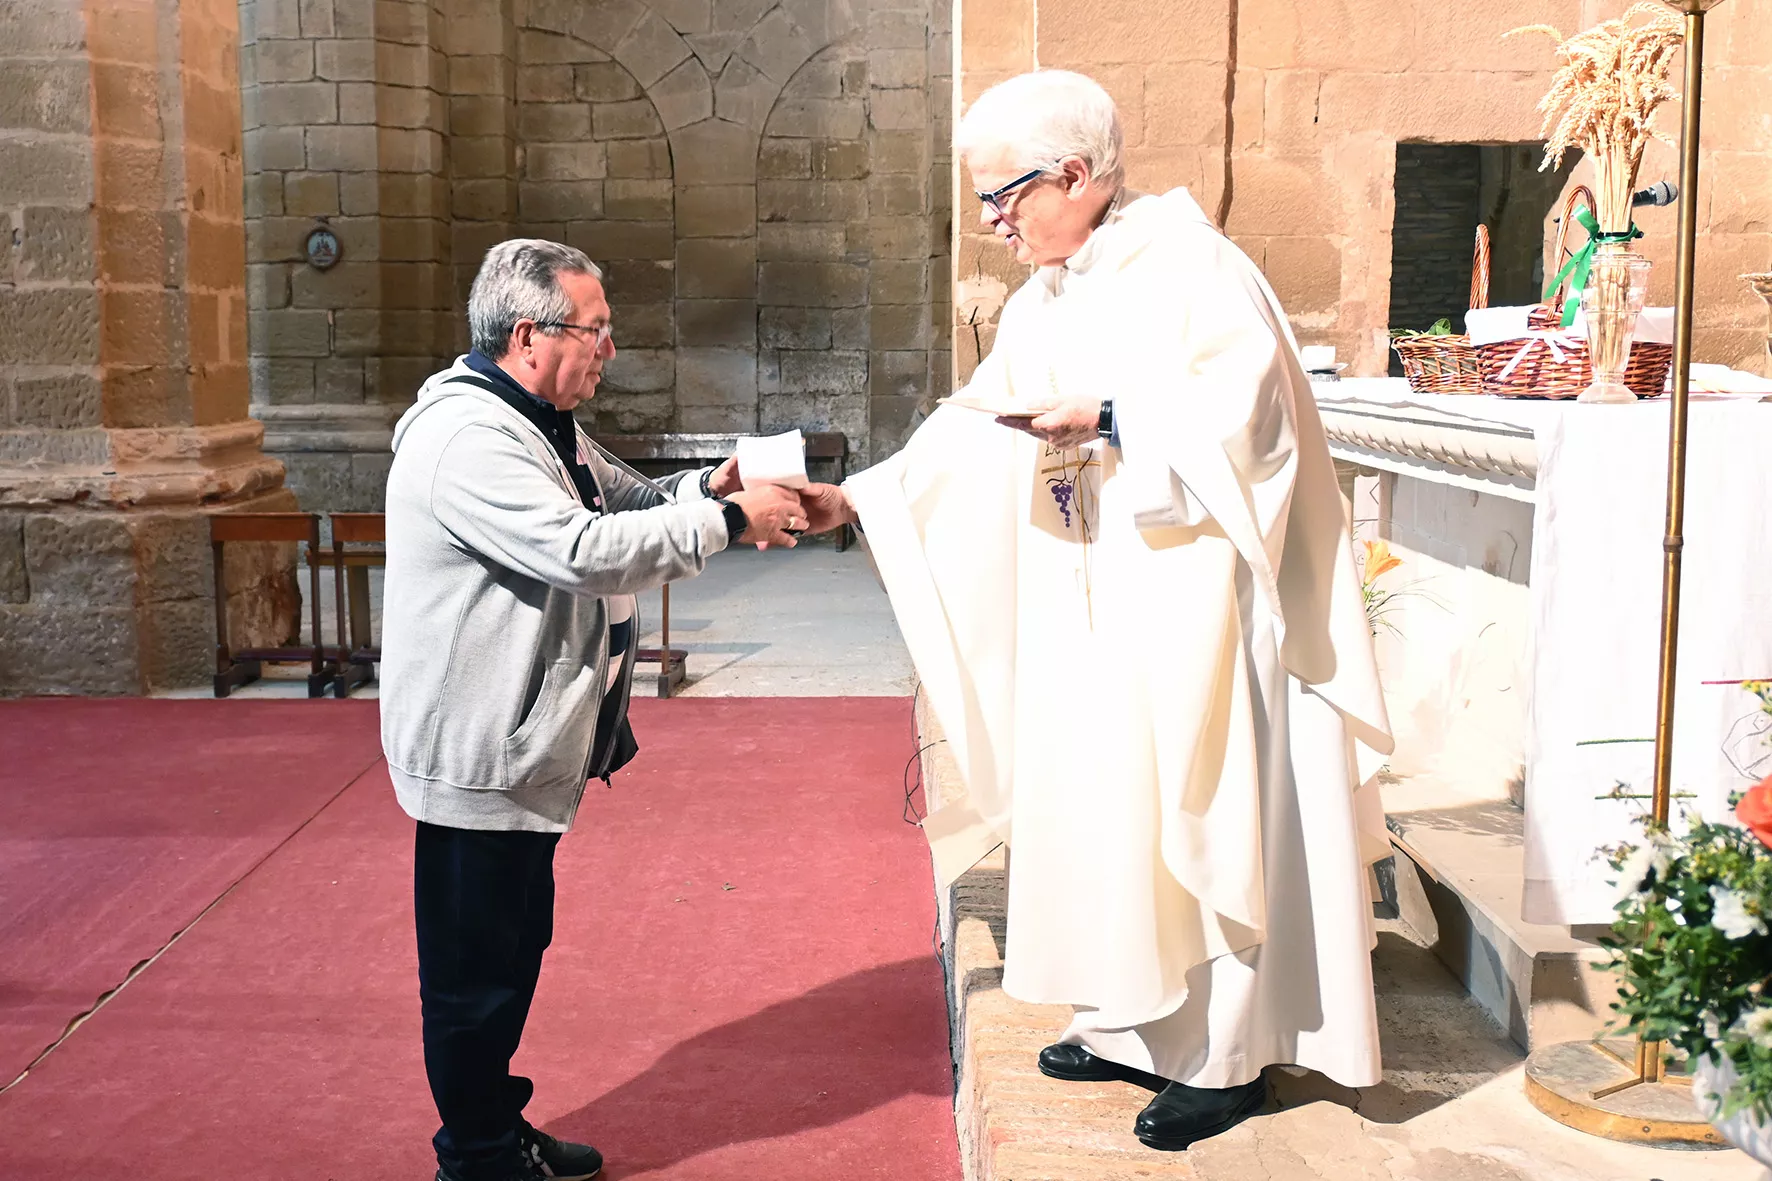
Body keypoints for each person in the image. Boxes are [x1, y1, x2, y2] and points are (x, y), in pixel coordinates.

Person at [796, 70, 1395, 1151]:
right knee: (1110, 803)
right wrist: (864, 494)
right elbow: (979, 425)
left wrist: (1111, 414)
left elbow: (1250, 422)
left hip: (1200, 610)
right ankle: (1129, 1019)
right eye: (981, 203)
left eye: (1004, 197)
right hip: (1095, 602)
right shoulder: (1045, 297)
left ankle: (1221, 1054)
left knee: (1197, 806)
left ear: (1074, 174)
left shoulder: (1195, 270)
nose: (991, 225)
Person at [379, 239, 805, 1181]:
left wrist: (716, 486)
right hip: (480, 751)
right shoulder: (470, 438)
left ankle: (491, 1122)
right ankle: (477, 1156)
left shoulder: (542, 419)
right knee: (472, 981)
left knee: (512, 955)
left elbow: (634, 503)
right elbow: (582, 549)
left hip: (531, 745)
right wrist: (734, 524)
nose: (610, 348)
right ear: (528, 335)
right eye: (596, 330)